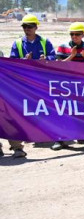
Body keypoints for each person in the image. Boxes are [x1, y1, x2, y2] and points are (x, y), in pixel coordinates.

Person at [5, 14, 56, 158]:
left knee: (42, 108)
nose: (27, 29)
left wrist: (46, 59)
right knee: (24, 109)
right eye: (24, 27)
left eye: (30, 26)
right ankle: (24, 138)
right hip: (24, 84)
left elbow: (54, 57)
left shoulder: (45, 42)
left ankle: (43, 135)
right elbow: (12, 62)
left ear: (36, 27)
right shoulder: (18, 44)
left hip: (41, 82)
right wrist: (23, 61)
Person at [56, 22, 84, 148]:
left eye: (77, 34)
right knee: (64, 112)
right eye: (72, 34)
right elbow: (58, 65)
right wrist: (72, 56)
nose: (74, 36)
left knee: (83, 111)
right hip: (66, 86)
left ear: (83, 35)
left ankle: (83, 137)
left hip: (83, 86)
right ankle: (60, 139)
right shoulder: (63, 47)